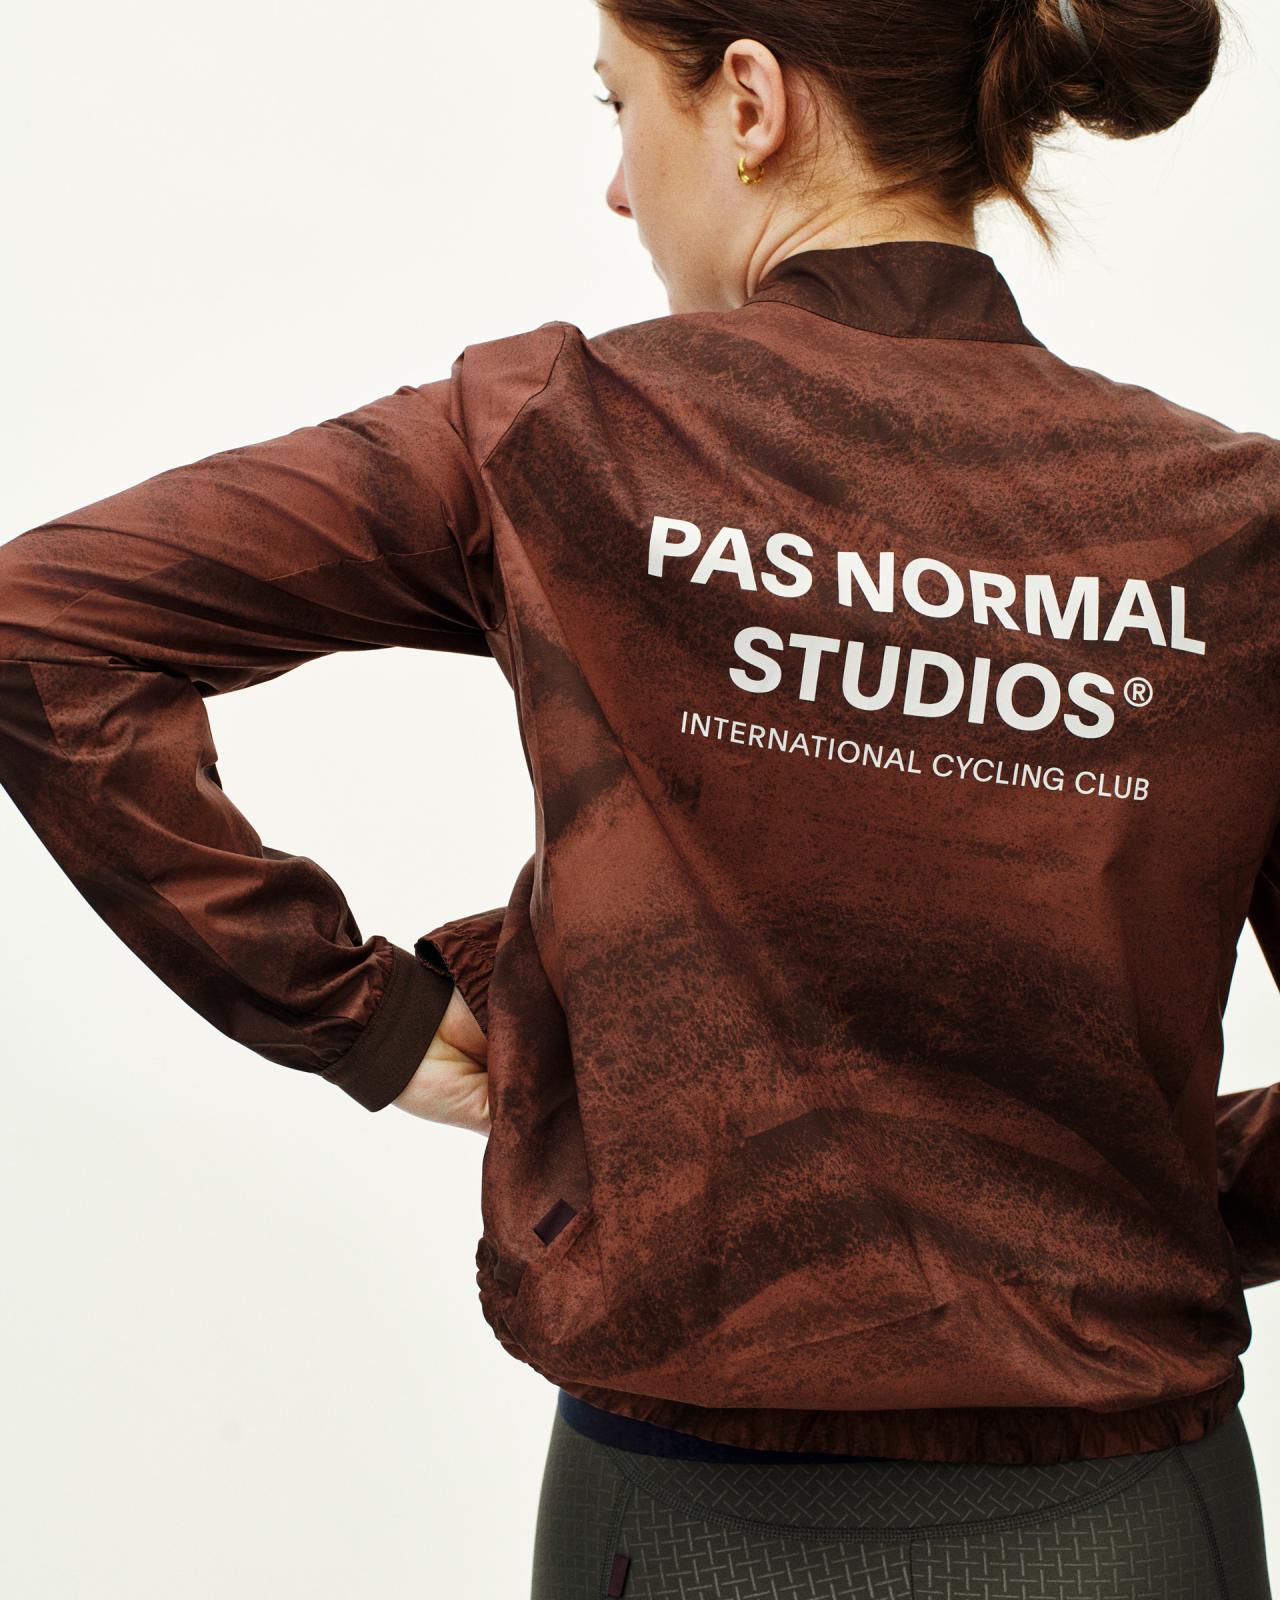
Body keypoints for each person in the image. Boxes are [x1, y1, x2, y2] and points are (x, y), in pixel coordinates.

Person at [0, 0, 1276, 1594]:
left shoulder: (559, 436)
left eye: (618, 108)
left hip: (670, 1523)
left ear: (749, 101)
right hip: (1121, 1514)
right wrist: (1143, 1185)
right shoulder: (1233, 528)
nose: (617, 187)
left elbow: (44, 626)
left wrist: (362, 1021)